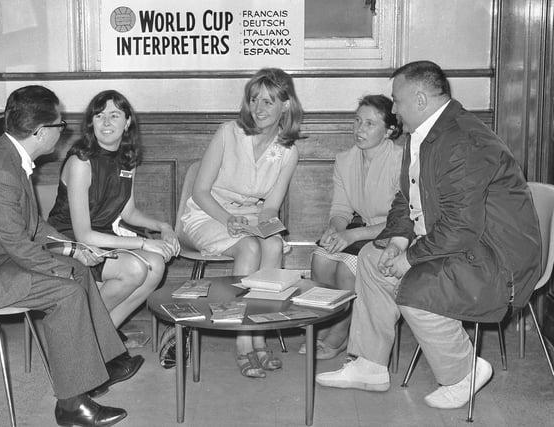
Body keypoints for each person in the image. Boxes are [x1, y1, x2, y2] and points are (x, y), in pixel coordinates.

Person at [315, 61, 541, 409]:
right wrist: (398, 242)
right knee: (372, 259)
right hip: (462, 243)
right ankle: (370, 365)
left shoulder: (463, 140)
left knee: (416, 285)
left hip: (495, 258)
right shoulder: (424, 134)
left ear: (419, 99)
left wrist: (410, 258)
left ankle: (463, 372)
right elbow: (406, 200)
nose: (393, 109)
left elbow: (461, 226)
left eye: (397, 100)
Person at [0, 85, 144, 427]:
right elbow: (19, 246)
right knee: (67, 289)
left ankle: (103, 359)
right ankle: (71, 405)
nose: (63, 131)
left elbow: (30, 225)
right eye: (59, 125)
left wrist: (74, 249)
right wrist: (62, 269)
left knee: (76, 269)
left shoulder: (9, 156)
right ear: (41, 132)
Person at [179, 67, 304, 378]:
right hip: (207, 213)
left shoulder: (288, 151)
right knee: (249, 248)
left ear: (285, 106)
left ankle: (258, 334)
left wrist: (266, 225)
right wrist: (228, 220)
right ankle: (242, 341)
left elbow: (271, 206)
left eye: (268, 102)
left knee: (273, 244)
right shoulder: (228, 132)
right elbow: (200, 191)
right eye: (254, 100)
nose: (258, 109)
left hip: (248, 217)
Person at [48, 90, 179, 347]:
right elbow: (84, 234)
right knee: (135, 268)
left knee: (156, 266)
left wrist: (164, 227)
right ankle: (82, 338)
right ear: (91, 123)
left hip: (102, 237)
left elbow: (128, 212)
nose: (106, 122)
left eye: (114, 115)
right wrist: (143, 243)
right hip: (69, 242)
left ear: (127, 121)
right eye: (99, 115)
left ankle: (102, 341)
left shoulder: (126, 160)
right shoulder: (81, 162)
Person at [302, 95, 403, 360]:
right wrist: (335, 230)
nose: (359, 129)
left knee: (347, 266)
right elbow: (341, 210)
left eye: (370, 123)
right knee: (321, 259)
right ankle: (326, 324)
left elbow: (402, 220)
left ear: (389, 130)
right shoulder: (345, 159)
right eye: (357, 120)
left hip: (397, 236)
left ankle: (340, 333)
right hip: (363, 231)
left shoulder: (401, 161)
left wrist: (352, 234)